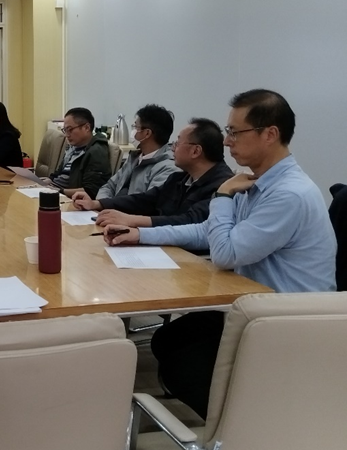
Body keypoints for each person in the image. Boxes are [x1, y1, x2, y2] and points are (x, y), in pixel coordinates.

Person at [104, 90, 336, 419]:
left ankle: (248, 426)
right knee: (168, 340)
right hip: (250, 302)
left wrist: (223, 195)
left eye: (235, 132)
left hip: (285, 320)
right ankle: (232, 410)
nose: (226, 142)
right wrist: (140, 235)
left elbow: (225, 252)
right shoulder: (254, 181)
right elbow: (209, 230)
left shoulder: (288, 194)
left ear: (270, 134)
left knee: (184, 367)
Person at [73, 118, 233, 234]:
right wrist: (96, 204)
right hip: (162, 245)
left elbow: (190, 221)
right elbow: (144, 200)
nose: (173, 148)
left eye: (177, 143)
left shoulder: (224, 186)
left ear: (195, 151)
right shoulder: (179, 178)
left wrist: (132, 220)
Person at [90, 104, 178, 200]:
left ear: (147, 133)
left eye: (136, 127)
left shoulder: (168, 169)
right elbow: (109, 186)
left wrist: (105, 206)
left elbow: (146, 204)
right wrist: (100, 204)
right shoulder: (135, 156)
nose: (133, 131)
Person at [49, 107, 112, 198]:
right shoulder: (72, 148)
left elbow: (91, 190)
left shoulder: (96, 151)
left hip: (68, 198)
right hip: (55, 191)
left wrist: (59, 191)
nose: (67, 134)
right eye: (65, 130)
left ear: (86, 127)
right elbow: (57, 175)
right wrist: (44, 183)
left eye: (70, 129)